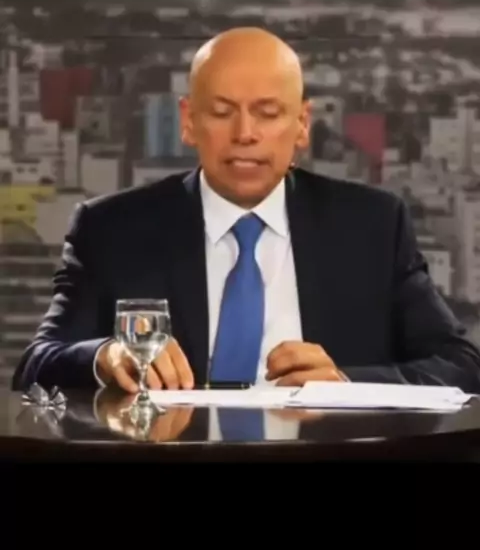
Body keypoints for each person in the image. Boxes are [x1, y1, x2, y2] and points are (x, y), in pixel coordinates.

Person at [12, 27, 480, 395]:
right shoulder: (111, 230)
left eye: (268, 113)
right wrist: (105, 357)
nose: (245, 134)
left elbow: (460, 366)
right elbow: (35, 366)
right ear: (188, 121)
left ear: (302, 124)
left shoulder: (372, 226)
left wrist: (345, 384)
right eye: (221, 112)